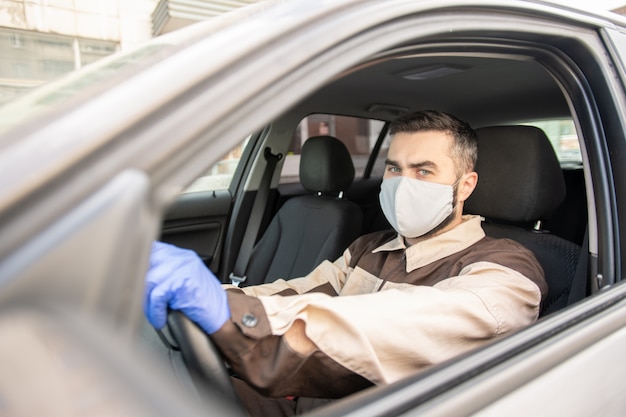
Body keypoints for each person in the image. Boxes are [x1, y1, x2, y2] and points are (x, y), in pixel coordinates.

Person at [144, 110, 547, 416]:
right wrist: (216, 295)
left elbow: (394, 323)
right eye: (395, 168)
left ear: (466, 185)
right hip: (304, 397)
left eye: (424, 171)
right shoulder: (371, 247)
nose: (403, 183)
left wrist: (233, 317)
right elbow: (299, 291)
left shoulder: (506, 271)